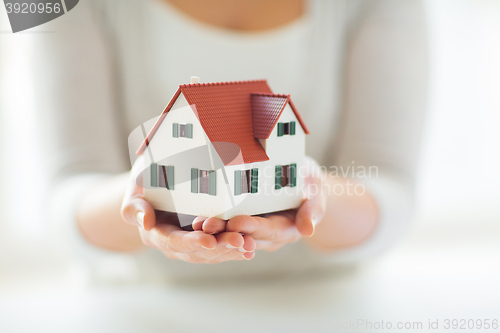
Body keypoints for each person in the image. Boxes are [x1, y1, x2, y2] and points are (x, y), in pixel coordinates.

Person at [39, 0, 427, 280]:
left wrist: (308, 190)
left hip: (323, 306)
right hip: (139, 308)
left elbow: (391, 189)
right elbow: (65, 197)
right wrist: (149, 197)